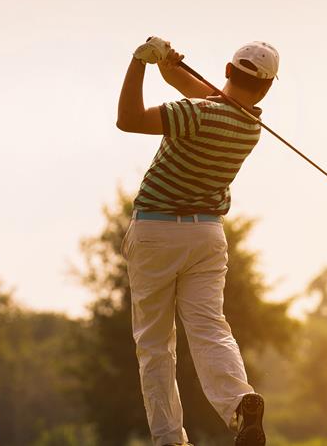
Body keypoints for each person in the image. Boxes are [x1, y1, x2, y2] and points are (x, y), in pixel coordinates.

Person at [116, 36, 279, 446]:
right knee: (210, 328)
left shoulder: (195, 113)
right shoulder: (250, 125)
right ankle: (239, 403)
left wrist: (138, 62)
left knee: (155, 344)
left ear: (227, 69)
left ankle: (170, 439)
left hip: (156, 233)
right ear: (266, 88)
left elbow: (128, 119)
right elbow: (208, 95)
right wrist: (169, 67)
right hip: (206, 235)